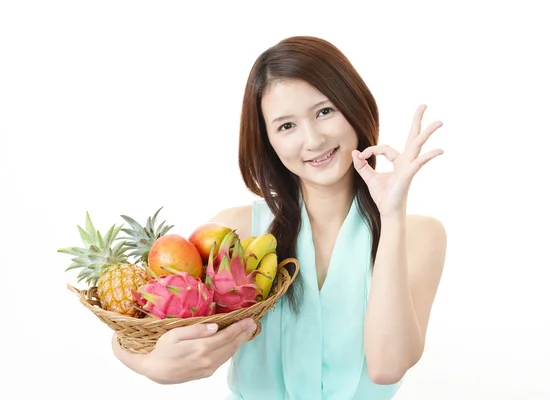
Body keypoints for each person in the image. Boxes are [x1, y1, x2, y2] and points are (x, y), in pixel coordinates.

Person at [112, 35, 447, 399]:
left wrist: (392, 214)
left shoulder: (418, 235)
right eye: (286, 126)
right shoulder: (234, 233)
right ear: (267, 139)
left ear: (354, 107)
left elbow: (386, 368)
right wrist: (150, 365)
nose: (313, 139)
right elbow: (134, 325)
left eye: (324, 111)